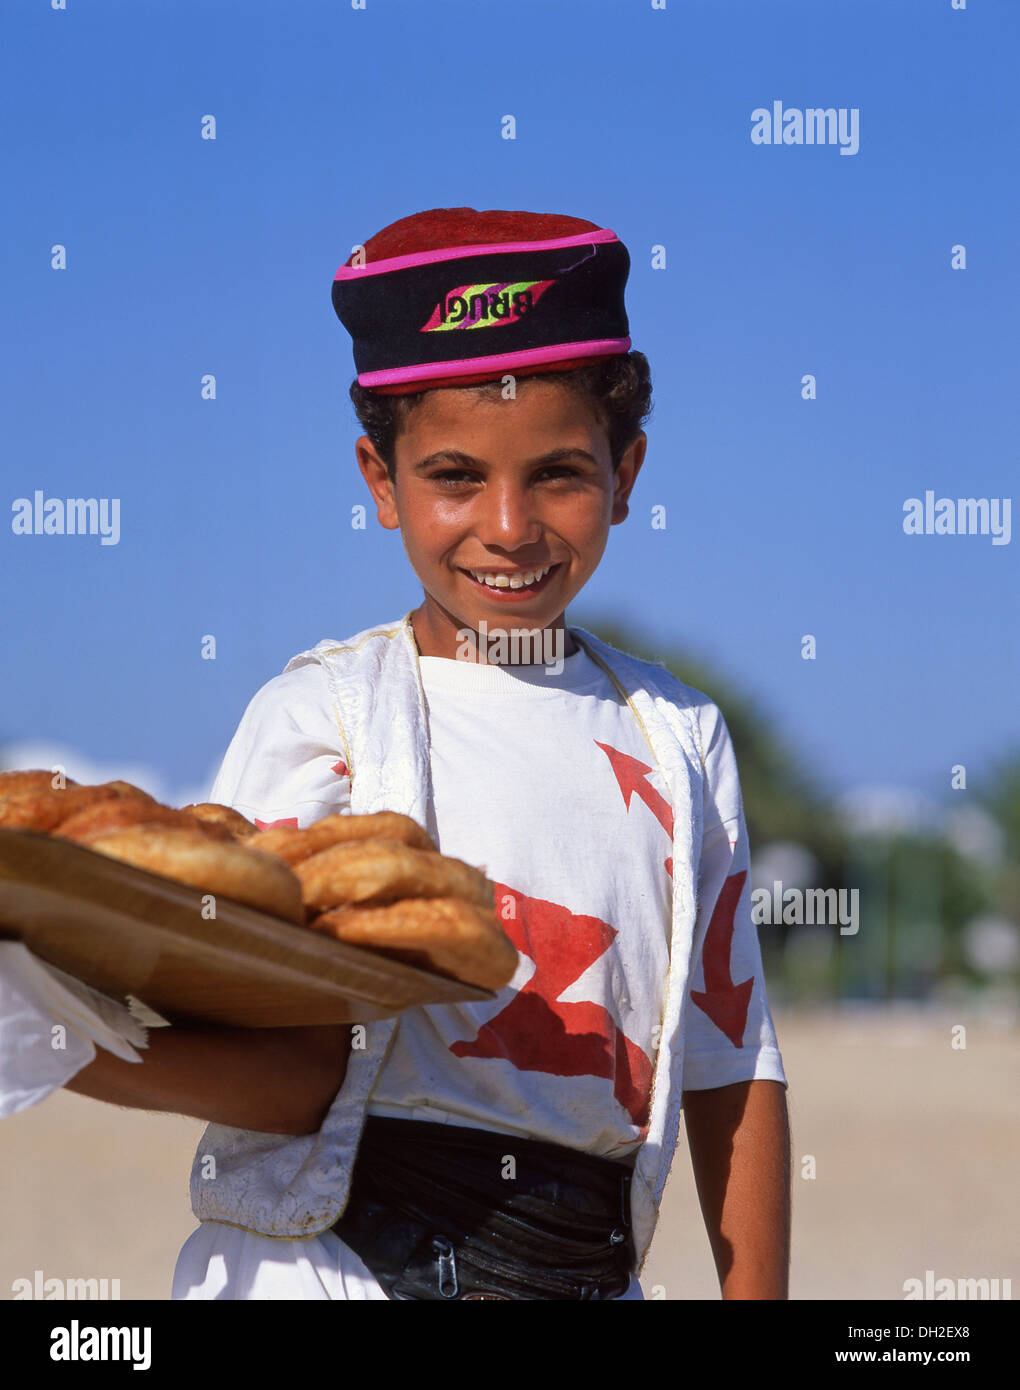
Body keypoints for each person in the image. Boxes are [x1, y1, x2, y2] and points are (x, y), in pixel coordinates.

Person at [68, 207, 791, 1300]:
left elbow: (731, 1070)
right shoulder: (327, 720)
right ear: (379, 478)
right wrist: (50, 1037)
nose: (509, 525)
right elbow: (288, 1069)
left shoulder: (680, 738)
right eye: (455, 475)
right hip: (327, 1270)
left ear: (628, 469)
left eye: (559, 473)